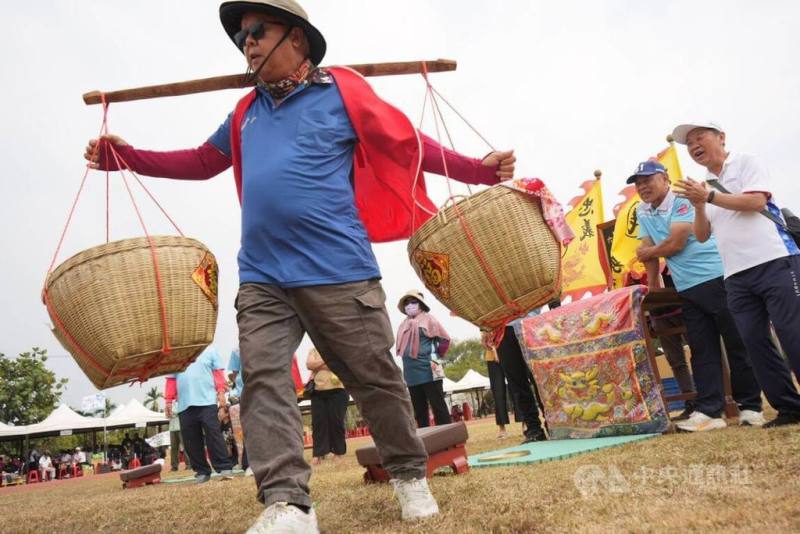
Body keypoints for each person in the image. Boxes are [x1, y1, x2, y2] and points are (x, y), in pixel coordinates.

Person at [83, 1, 516, 530]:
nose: (248, 43)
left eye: (258, 31)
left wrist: (477, 170)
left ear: (299, 41)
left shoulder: (341, 92)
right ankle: (287, 504)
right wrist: (125, 158)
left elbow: (408, 144)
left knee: (375, 378)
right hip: (263, 275)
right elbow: (201, 161)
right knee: (263, 380)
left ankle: (408, 474)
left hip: (338, 269)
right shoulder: (246, 112)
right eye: (241, 37)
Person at [672, 121, 800, 428]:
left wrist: (710, 198)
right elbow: (702, 236)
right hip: (736, 275)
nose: (694, 146)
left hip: (774, 260)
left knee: (792, 333)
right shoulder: (704, 184)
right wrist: (700, 206)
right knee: (754, 342)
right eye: (688, 144)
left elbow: (756, 201)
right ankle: (789, 407)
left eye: (699, 137)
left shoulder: (745, 162)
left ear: (721, 137)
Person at [630, 160, 765, 431]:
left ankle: (750, 407)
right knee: (702, 351)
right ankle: (709, 412)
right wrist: (654, 288)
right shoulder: (642, 211)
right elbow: (647, 250)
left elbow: (675, 243)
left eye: (648, 179)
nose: (643, 186)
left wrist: (649, 252)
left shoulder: (683, 199)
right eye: (638, 182)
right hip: (686, 288)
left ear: (665, 178)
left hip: (716, 276)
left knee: (736, 343)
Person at [165, 346, 234, 483]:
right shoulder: (175, 353)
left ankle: (224, 467)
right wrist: (168, 400)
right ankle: (202, 471)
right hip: (184, 404)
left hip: (207, 400)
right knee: (190, 440)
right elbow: (171, 380)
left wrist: (221, 392)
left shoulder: (210, 350)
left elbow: (218, 373)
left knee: (213, 434)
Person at [396, 291, 453, 428]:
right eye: (407, 303)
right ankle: (425, 440)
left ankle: (446, 435)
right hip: (411, 372)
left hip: (429, 368)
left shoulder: (429, 319)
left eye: (413, 301)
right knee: (419, 409)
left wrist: (436, 356)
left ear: (421, 304)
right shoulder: (403, 324)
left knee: (437, 405)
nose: (410, 305)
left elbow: (445, 339)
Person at [306, 348, 349, 465]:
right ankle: (317, 455)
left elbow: (341, 364)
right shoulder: (314, 350)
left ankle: (338, 453)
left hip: (338, 390)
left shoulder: (338, 347)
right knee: (318, 423)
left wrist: (318, 365)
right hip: (317, 391)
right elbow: (309, 365)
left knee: (336, 422)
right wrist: (328, 361)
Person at [484, 344, 511, 439]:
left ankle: (526, 423)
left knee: (516, 388)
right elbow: (484, 340)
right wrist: (494, 350)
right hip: (492, 358)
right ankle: (502, 428)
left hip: (509, 352)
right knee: (498, 391)